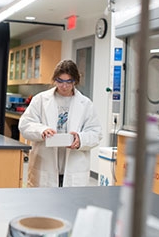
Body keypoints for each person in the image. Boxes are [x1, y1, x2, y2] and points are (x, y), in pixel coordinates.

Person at [19, 59, 102, 187]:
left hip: (73, 167)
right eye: (60, 81)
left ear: (76, 81)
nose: (64, 86)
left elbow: (96, 133)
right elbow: (25, 124)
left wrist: (80, 139)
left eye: (69, 82)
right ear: (54, 79)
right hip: (45, 165)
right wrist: (41, 130)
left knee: (71, 205)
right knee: (43, 204)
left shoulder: (86, 104)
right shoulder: (40, 100)